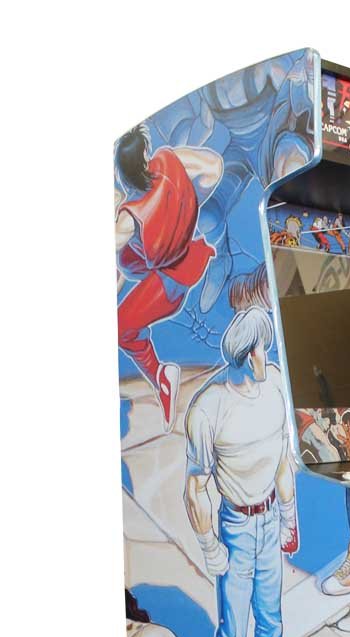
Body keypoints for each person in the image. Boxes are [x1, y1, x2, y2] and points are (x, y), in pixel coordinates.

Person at [183, 303, 298, 637]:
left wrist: (288, 517)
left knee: (271, 619)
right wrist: (209, 545)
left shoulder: (276, 384)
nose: (267, 354)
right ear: (248, 354)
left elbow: (282, 460)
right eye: (262, 347)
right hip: (236, 527)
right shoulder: (207, 409)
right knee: (233, 634)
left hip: (269, 517)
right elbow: (195, 488)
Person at [115, 126, 223, 429]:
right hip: (184, 261)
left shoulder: (128, 218)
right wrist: (188, 205)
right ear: (145, 153)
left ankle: (161, 375)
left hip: (168, 282)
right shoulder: (171, 159)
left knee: (121, 329)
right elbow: (214, 168)